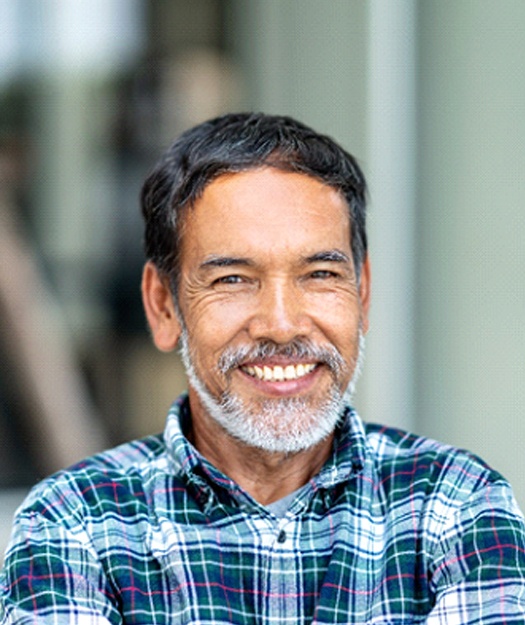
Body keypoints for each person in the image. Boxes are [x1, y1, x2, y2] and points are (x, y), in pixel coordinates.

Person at [1, 112, 525, 624]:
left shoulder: (457, 505)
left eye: (320, 274)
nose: (281, 325)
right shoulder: (76, 524)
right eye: (232, 279)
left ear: (362, 295)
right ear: (163, 306)